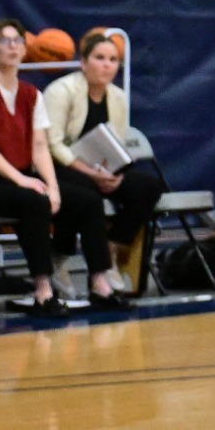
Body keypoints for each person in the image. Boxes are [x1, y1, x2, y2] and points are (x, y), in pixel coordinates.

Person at [0, 20, 135, 317]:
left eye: (18, 41)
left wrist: (52, 186)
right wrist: (22, 180)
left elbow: (39, 147)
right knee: (34, 201)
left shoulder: (31, 94)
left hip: (18, 176)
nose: (14, 47)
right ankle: (43, 290)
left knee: (87, 200)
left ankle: (100, 284)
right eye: (5, 41)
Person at [43, 31, 164, 294]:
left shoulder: (118, 97)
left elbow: (115, 143)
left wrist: (114, 174)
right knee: (85, 193)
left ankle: (111, 248)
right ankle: (61, 256)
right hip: (58, 167)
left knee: (148, 186)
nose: (107, 65)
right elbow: (53, 144)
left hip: (99, 168)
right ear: (83, 62)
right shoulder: (61, 91)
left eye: (112, 59)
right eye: (99, 58)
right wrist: (91, 173)